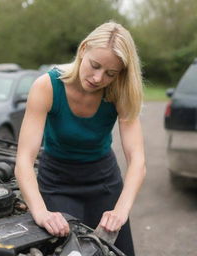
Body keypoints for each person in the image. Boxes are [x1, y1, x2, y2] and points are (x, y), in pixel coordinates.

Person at [15, 20, 146, 256]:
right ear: (83, 49)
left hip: (104, 181)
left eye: (110, 73)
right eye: (95, 65)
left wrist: (121, 210)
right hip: (57, 183)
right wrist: (41, 212)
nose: (98, 78)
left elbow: (137, 160)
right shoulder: (47, 86)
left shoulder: (119, 91)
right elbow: (24, 159)